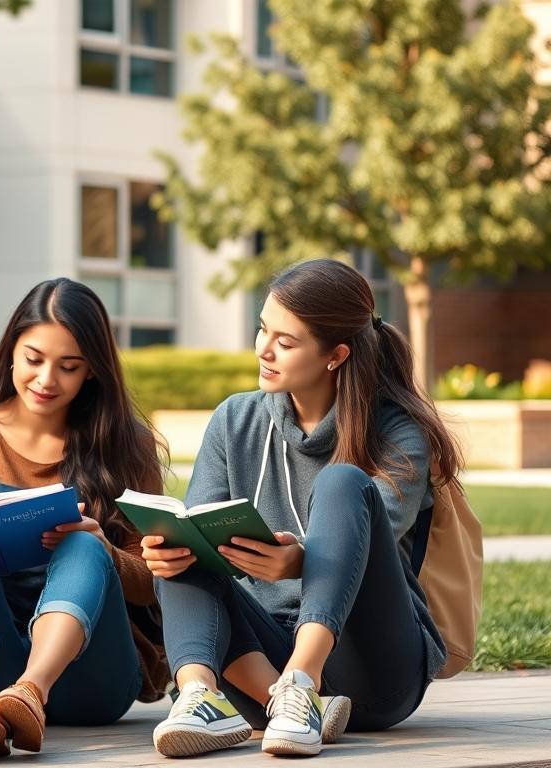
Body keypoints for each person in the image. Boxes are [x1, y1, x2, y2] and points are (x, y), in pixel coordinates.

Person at [144, 258, 461, 759]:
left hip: (375, 670)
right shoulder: (234, 419)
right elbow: (198, 535)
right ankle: (201, 698)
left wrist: (299, 559)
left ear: (335, 355)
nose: (263, 350)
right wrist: (170, 552)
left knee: (342, 482)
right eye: (262, 329)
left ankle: (303, 685)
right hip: (258, 669)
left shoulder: (399, 432)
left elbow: (367, 540)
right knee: (182, 547)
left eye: (285, 342)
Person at [0, 278, 170, 758]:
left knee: (84, 542)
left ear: (92, 370)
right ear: (10, 351)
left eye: (68, 367)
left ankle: (32, 691)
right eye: (33, 360)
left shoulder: (126, 445)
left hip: (92, 676)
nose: (46, 380)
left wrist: (107, 552)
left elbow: (155, 583)